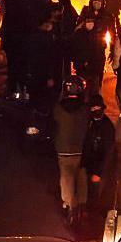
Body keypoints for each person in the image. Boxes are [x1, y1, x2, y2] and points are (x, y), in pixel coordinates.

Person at [52, 77, 89, 222]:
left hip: (63, 150)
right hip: (80, 149)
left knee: (66, 178)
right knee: (81, 176)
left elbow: (53, 127)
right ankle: (82, 204)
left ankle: (68, 205)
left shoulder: (58, 108)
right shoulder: (85, 109)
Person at [82, 95, 116, 206]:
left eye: (97, 108)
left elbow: (108, 153)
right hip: (90, 165)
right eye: (93, 109)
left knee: (97, 198)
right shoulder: (90, 122)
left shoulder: (107, 127)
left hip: (100, 169)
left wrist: (98, 173)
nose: (95, 111)